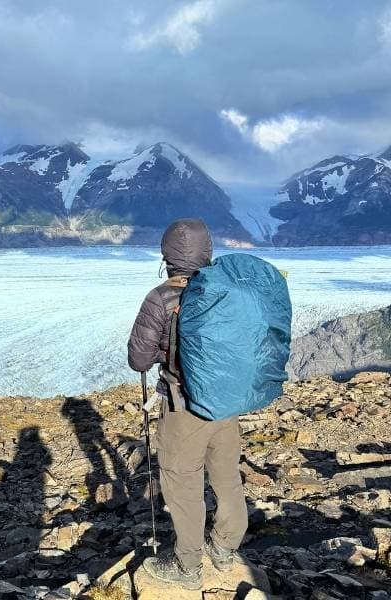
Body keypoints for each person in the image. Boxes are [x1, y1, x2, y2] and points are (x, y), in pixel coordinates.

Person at [127, 218, 248, 590]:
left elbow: (139, 360)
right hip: (226, 403)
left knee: (183, 486)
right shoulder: (227, 291)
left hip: (184, 406)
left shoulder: (161, 297)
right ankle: (225, 549)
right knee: (227, 479)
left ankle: (187, 566)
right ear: (207, 252)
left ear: (167, 256)